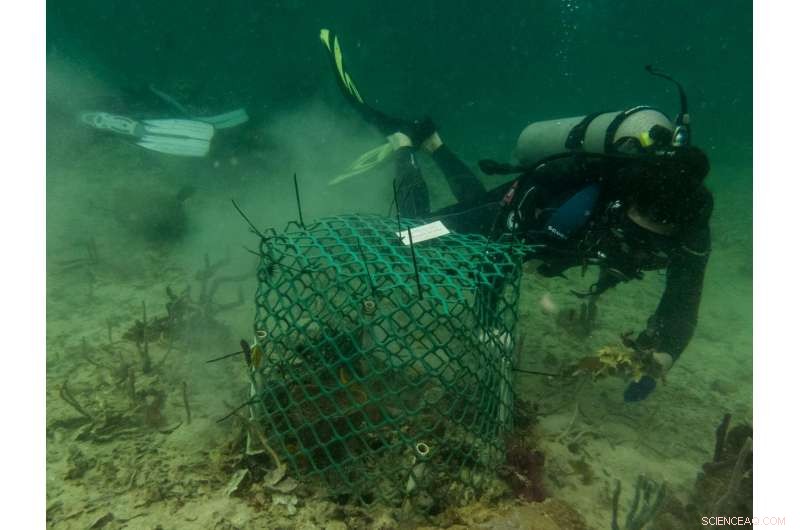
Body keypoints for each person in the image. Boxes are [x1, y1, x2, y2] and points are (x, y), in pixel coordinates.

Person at [320, 29, 712, 402]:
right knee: (413, 236)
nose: (647, 242)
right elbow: (504, 253)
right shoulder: (584, 199)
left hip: (522, 220)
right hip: (519, 208)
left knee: (474, 206)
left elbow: (683, 303)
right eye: (641, 229)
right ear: (627, 203)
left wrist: (659, 358)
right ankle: (405, 146)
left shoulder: (691, 227)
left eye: (659, 236)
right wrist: (487, 324)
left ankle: (434, 144)